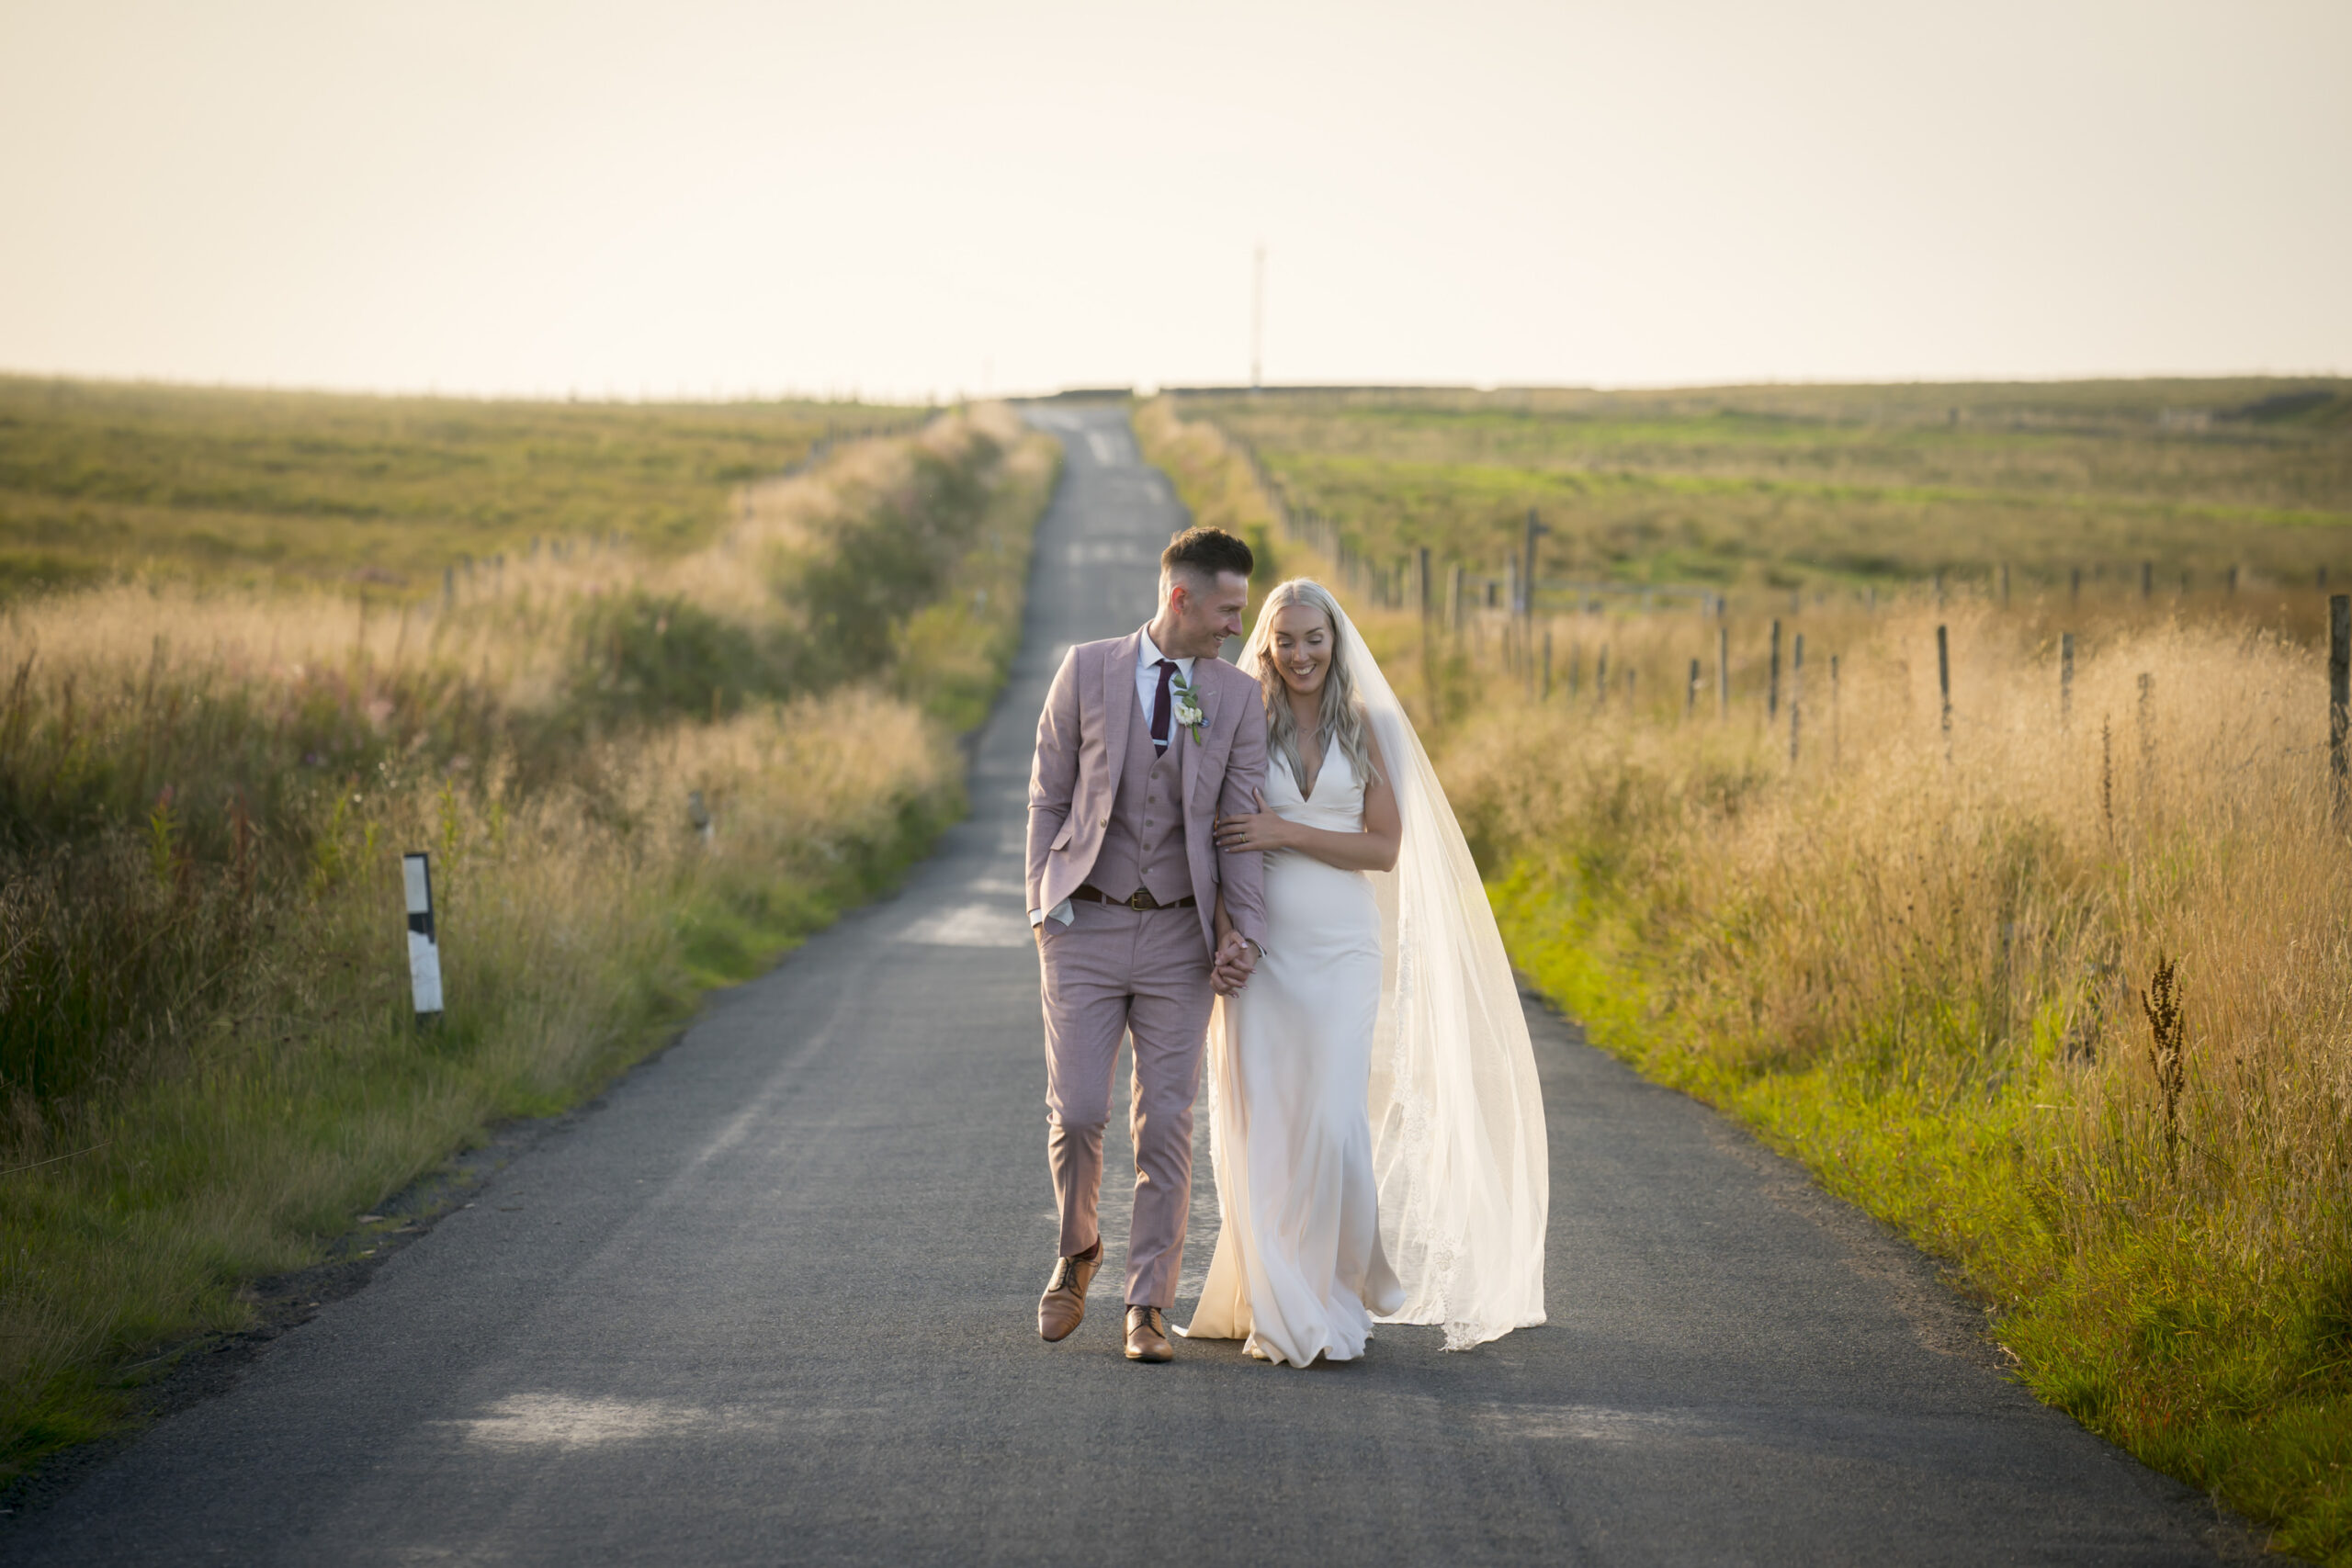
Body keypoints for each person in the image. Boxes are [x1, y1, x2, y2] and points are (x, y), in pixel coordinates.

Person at [1183, 578, 1549, 1366]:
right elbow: (1214, 841)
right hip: (1263, 944)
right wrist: (1227, 935)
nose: (1302, 653)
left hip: (1344, 946)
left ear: (1336, 641)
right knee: (1266, 1123)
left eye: (1315, 638)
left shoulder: (1371, 725)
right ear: (1268, 646)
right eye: (1286, 640)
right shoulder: (1245, 717)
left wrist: (1284, 828)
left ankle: (1338, 1285)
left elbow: (1384, 848)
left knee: (1335, 1121)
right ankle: (1280, 1298)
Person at [1025, 526, 1271, 1364]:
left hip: (1178, 935)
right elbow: (1047, 795)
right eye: (1228, 608)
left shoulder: (1237, 698)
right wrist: (1040, 905)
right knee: (1081, 1113)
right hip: (1084, 925)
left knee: (1165, 1122)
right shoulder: (1085, 669)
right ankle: (1078, 1248)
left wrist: (1245, 932)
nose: (1239, 625)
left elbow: (1240, 829)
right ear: (1181, 599)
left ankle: (1147, 1303)